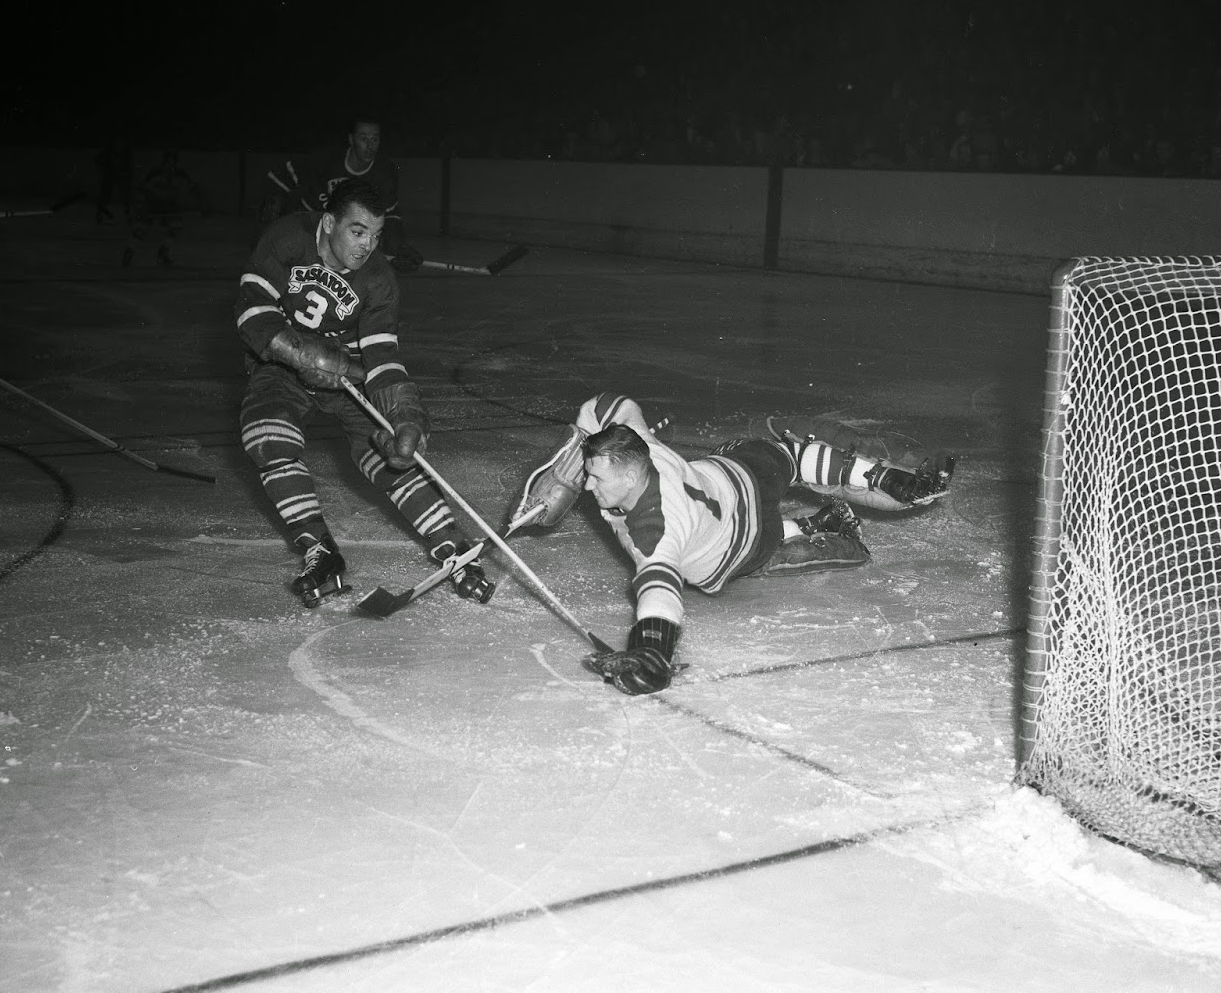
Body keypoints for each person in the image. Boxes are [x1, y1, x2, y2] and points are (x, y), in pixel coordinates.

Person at [511, 393, 954, 695]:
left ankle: (814, 525)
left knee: (763, 537)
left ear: (629, 475)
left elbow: (659, 589)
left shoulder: (655, 530)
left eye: (594, 477)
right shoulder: (641, 446)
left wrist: (653, 651)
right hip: (736, 473)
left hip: (745, 546)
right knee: (790, 453)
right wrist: (574, 460)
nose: (587, 488)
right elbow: (608, 404)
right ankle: (881, 479)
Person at [236, 173, 493, 608]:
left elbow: (383, 354)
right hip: (279, 366)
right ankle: (320, 551)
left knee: (391, 453)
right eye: (358, 232)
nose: (367, 246)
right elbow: (251, 312)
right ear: (329, 222)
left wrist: (404, 412)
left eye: (375, 235)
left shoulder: (378, 278)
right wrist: (301, 354)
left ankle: (454, 547)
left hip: (349, 376)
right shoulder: (287, 237)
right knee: (266, 434)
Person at [275, 117, 425, 273]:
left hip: (343, 244)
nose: (369, 146)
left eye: (375, 139)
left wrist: (398, 248)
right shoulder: (325, 160)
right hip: (308, 233)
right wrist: (276, 199)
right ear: (351, 139)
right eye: (363, 138)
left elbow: (390, 217)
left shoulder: (385, 173)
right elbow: (283, 176)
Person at [129, 151, 201, 267]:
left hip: (170, 206)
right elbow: (142, 188)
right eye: (167, 163)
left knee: (176, 226)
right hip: (151, 204)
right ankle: (129, 252)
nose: (170, 166)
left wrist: (200, 200)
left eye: (172, 163)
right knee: (141, 229)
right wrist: (140, 205)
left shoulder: (180, 174)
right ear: (163, 163)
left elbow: (192, 188)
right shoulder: (155, 174)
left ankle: (163, 252)